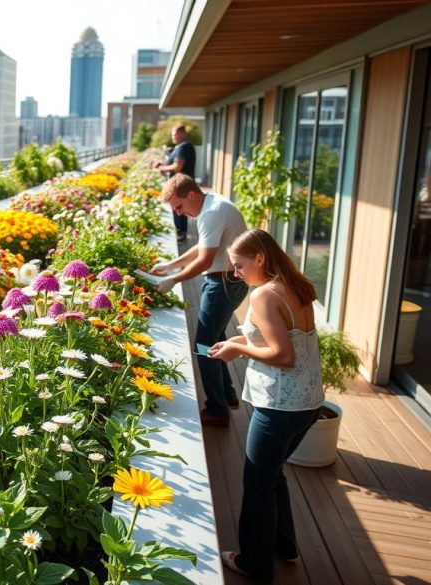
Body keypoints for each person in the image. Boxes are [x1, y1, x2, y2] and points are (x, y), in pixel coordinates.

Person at [207, 229, 324, 582]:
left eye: (239, 265)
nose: (235, 273)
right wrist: (240, 339)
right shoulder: (296, 285)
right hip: (308, 403)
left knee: (258, 483)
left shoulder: (263, 295)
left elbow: (283, 355)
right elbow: (286, 338)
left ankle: (254, 562)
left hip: (279, 407)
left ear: (259, 258)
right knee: (274, 475)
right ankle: (284, 546)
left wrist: (238, 349)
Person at [149, 173, 248, 426]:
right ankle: (227, 394)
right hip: (228, 281)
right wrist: (171, 265)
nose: (179, 214)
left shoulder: (211, 213)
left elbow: (204, 260)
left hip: (224, 282)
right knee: (215, 337)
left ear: (191, 194)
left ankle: (217, 409)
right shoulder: (213, 203)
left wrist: (173, 280)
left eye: (179, 206)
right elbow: (204, 248)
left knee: (204, 345)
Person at [151, 124, 196, 242]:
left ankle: (181, 234)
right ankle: (181, 233)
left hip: (179, 185)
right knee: (180, 208)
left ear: (182, 134)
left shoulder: (183, 147)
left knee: (179, 208)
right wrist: (162, 163)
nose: (173, 137)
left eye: (174, 134)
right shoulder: (183, 146)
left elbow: (177, 166)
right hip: (182, 184)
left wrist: (162, 169)